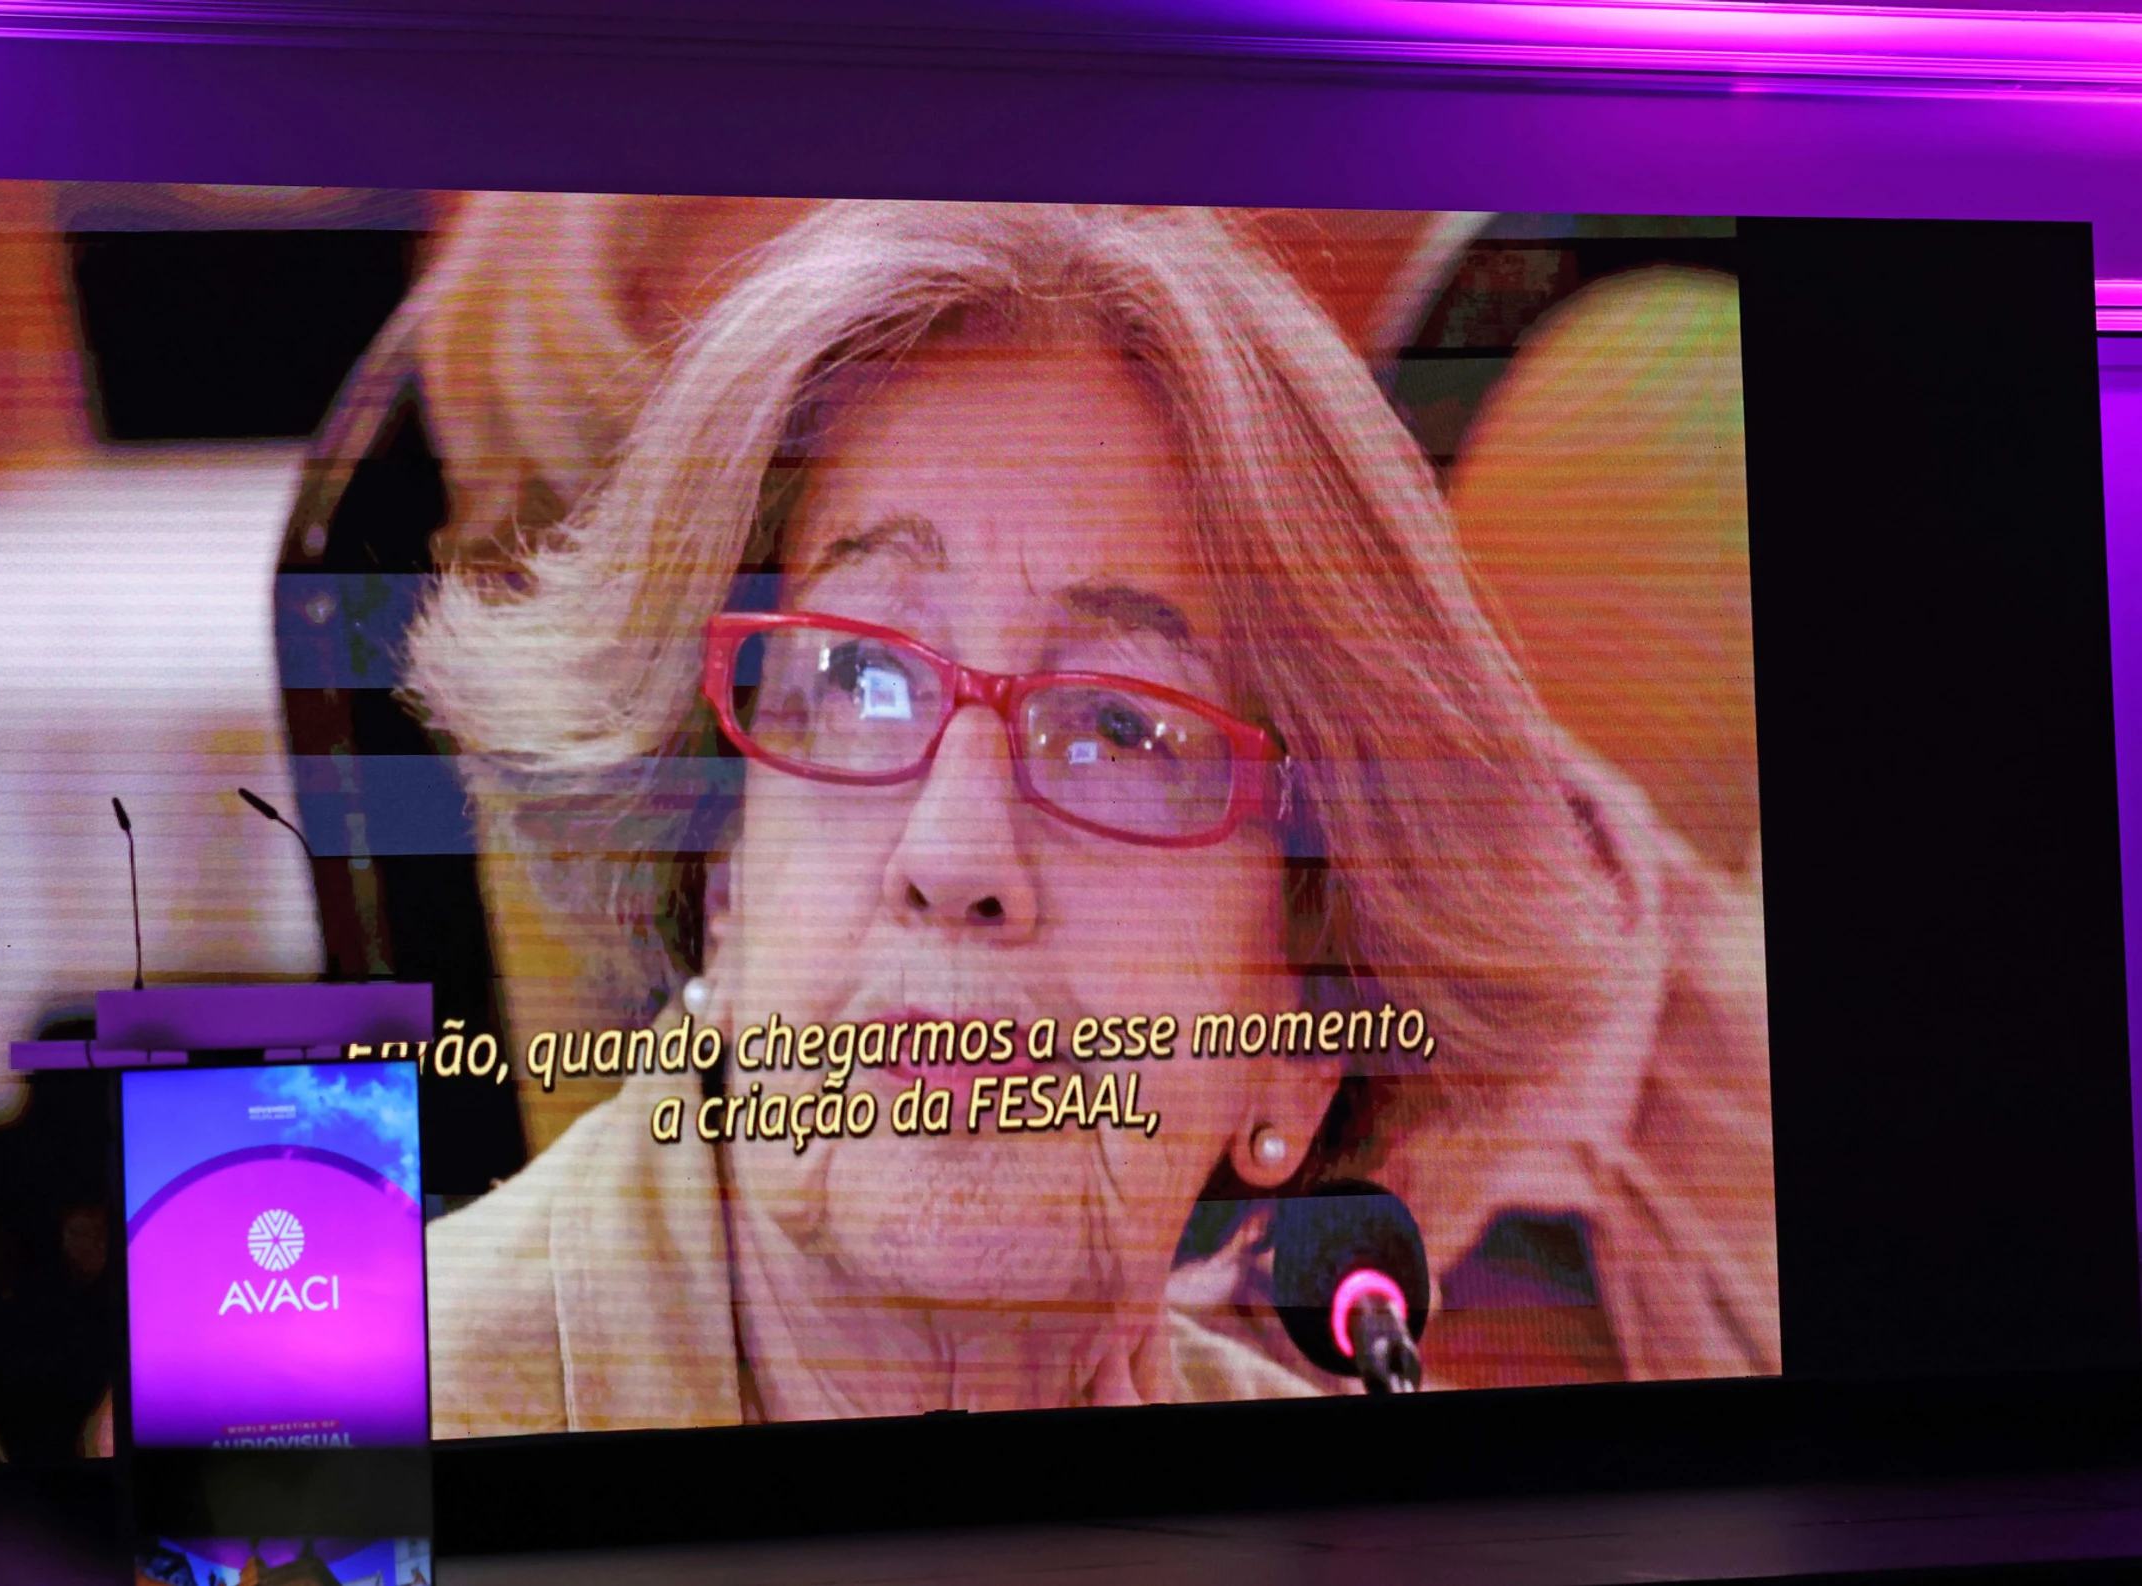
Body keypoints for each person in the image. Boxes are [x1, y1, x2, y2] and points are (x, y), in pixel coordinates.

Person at [399, 200, 1776, 1434]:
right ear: (724, 883)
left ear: (1306, 1026)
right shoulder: (340, 1431)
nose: (955, 856)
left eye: (1120, 730)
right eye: (860, 679)